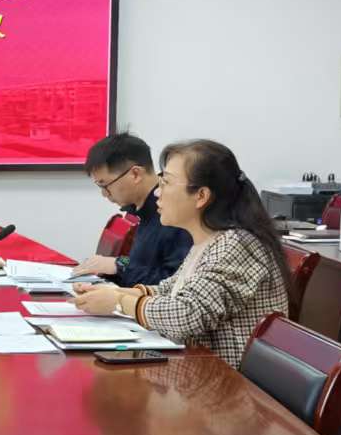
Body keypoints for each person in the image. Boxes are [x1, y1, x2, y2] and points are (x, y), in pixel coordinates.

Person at [74, 139, 290, 369]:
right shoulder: (207, 241)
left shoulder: (236, 244)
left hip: (225, 380)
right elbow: (170, 289)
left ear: (201, 196)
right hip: (196, 369)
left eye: (166, 182)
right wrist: (114, 292)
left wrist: (119, 302)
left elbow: (187, 314)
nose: (157, 192)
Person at [74, 132, 192, 286]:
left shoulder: (175, 216)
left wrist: (118, 266)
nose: (104, 194)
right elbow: (139, 262)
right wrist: (113, 265)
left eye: (105, 185)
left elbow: (176, 282)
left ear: (135, 174)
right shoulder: (139, 211)